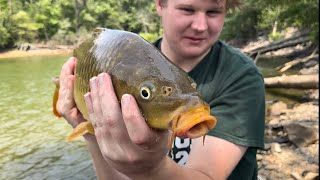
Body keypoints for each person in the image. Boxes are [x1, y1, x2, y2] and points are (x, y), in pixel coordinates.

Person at [56, 0, 265, 179]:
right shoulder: (132, 63)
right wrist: (92, 133)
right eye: (187, 9)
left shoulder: (241, 76)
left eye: (213, 12)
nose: (200, 26)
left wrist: (152, 168)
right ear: (159, 4)